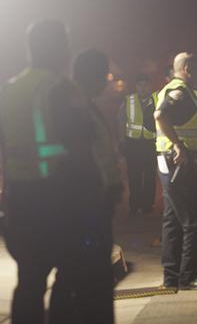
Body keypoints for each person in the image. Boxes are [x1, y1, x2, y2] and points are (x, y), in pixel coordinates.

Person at [0, 19, 109, 324]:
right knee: (68, 276)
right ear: (57, 48)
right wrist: (99, 194)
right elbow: (81, 148)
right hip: (59, 197)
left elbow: (4, 143)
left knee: (29, 281)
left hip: (20, 197)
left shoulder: (7, 90)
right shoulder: (62, 88)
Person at [154, 52, 197, 290]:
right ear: (187, 68)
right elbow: (160, 115)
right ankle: (188, 276)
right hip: (179, 163)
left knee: (173, 221)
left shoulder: (178, 90)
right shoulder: (179, 91)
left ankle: (171, 278)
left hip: (170, 162)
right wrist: (179, 146)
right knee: (196, 220)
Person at [72, 48, 122, 323]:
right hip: (87, 208)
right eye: (106, 75)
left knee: (89, 281)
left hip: (96, 205)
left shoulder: (86, 105)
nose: (108, 82)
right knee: (87, 280)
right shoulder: (76, 108)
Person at [118, 74, 157, 217]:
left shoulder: (156, 100)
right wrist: (122, 142)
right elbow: (121, 122)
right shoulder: (128, 101)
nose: (143, 88)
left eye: (146, 85)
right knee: (134, 176)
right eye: (140, 85)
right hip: (133, 144)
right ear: (136, 87)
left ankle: (147, 205)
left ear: (150, 86)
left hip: (150, 144)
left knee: (150, 176)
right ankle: (135, 205)